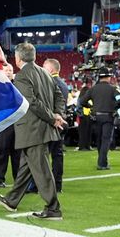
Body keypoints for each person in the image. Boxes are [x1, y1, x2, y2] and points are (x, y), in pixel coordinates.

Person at [0, 43, 64, 220]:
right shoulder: (44, 73)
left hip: (33, 130)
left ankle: (53, 209)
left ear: (18, 59)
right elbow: (59, 95)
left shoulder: (22, 76)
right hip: (41, 130)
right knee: (26, 168)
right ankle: (12, 200)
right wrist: (57, 114)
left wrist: (52, 117)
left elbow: (32, 103)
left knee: (41, 170)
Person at [80, 67, 120, 170]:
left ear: (99, 78)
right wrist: (114, 107)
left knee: (99, 140)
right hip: (108, 117)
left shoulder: (93, 89)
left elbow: (82, 101)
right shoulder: (113, 89)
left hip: (96, 117)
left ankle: (102, 161)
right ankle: (102, 163)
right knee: (106, 140)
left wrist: (90, 107)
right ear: (109, 77)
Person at [0, 64, 20, 187]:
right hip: (2, 124)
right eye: (6, 70)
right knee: (1, 151)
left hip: (16, 124)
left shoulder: (18, 85)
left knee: (17, 153)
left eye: (10, 70)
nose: (8, 72)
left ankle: (18, 179)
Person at [41, 58, 67, 192]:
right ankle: (57, 185)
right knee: (57, 155)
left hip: (50, 122)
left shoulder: (49, 82)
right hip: (61, 122)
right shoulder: (63, 83)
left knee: (42, 155)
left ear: (50, 70)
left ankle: (40, 185)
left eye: (44, 67)